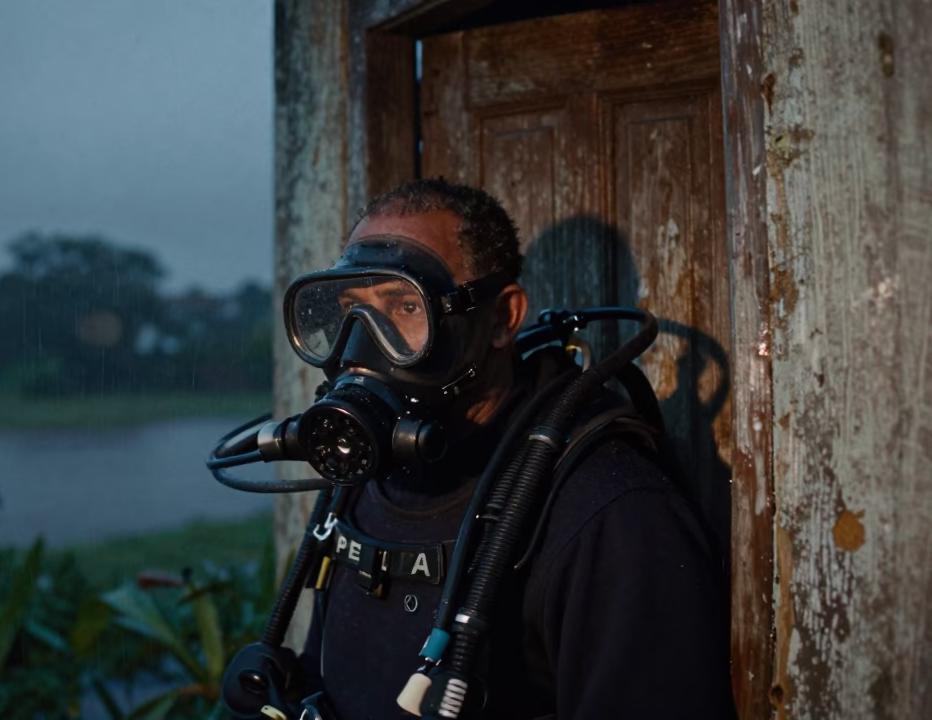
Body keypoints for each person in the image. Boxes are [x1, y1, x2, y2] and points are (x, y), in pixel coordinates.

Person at [278, 178, 736, 719]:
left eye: (404, 305)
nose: (361, 349)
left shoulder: (608, 511)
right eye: (350, 311)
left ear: (500, 318)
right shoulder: (363, 473)